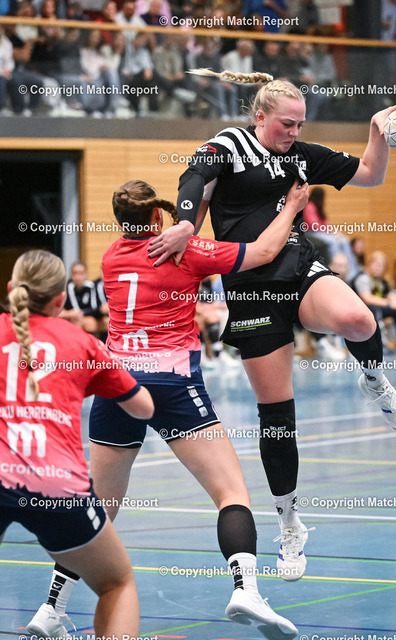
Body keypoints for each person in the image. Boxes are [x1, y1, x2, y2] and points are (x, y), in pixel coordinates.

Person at [148, 73, 396, 582]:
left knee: (359, 319)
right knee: (277, 417)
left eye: (299, 125)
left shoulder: (302, 154)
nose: (293, 132)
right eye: (285, 124)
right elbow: (193, 178)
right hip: (251, 288)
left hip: (297, 269)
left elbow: (369, 174)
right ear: (260, 116)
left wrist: (376, 133)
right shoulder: (231, 143)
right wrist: (185, 222)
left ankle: (376, 381)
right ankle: (289, 521)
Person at [28, 179, 308, 638]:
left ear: (120, 220)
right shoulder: (187, 252)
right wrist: (293, 205)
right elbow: (262, 251)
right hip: (173, 386)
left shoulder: (111, 257)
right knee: (231, 493)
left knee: (98, 508)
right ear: (158, 216)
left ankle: (50, 609)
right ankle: (246, 590)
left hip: (117, 386)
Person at [1, 250, 154, 637]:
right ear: (60, 299)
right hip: (57, 484)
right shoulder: (81, 343)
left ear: (12, 288)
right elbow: (143, 407)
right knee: (116, 583)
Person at [60, 261, 109, 337]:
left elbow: (97, 309)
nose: (78, 277)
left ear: (86, 274)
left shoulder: (91, 287)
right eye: (75, 273)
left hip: (90, 320)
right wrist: (70, 314)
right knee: (84, 322)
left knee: (104, 322)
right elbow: (59, 312)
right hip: (74, 322)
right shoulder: (66, 289)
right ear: (71, 275)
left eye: (81, 273)